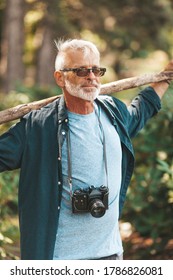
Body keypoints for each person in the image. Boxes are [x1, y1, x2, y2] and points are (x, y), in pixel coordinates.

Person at [0, 39, 172, 260]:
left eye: (96, 70)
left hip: (110, 255)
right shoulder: (37, 126)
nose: (91, 77)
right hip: (58, 260)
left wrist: (165, 76)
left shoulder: (113, 111)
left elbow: (140, 113)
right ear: (60, 77)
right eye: (81, 71)